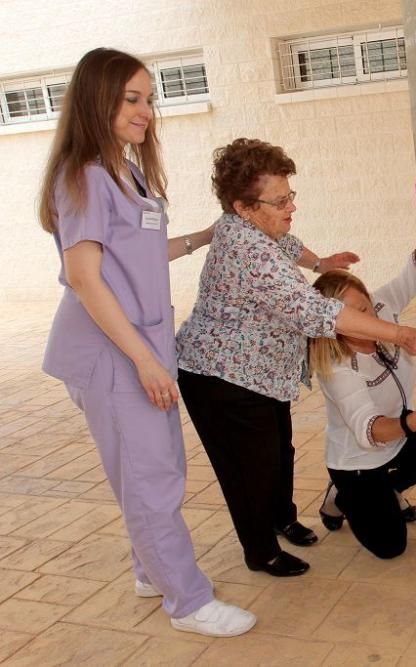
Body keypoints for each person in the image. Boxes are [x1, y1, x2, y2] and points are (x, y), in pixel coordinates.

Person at [39, 47, 255, 637]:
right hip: (114, 354)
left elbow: (136, 251)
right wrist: (142, 361)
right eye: (132, 99)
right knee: (151, 478)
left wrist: (204, 237)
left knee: (155, 470)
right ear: (96, 99)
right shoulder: (82, 173)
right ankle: (187, 602)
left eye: (149, 99)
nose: (146, 111)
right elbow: (86, 276)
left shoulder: (125, 170)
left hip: (141, 347)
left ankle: (149, 570)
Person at [175, 138, 416, 578]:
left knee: (279, 453)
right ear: (243, 207)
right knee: (248, 471)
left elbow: (290, 242)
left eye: (289, 195)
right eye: (279, 201)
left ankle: (283, 518)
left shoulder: (254, 226)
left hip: (263, 372)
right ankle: (261, 551)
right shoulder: (248, 252)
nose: (290, 207)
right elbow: (321, 314)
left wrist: (323, 263)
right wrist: (401, 333)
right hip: (221, 378)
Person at [309, 252, 416, 559]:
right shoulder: (338, 368)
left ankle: (387, 488)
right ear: (334, 324)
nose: (368, 317)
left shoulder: (382, 307)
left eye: (365, 306)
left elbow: (413, 272)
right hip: (360, 461)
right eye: (354, 315)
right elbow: (369, 430)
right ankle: (342, 495)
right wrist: (412, 424)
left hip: (398, 437)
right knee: (390, 547)